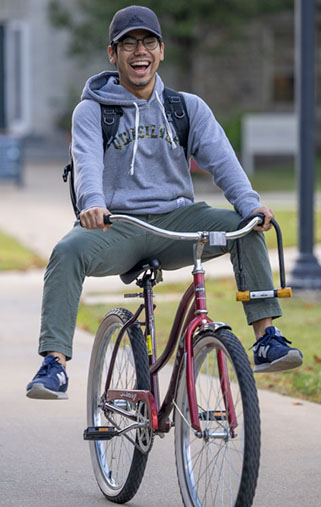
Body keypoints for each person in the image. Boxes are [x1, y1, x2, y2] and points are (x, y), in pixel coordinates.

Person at [26, 5, 302, 400]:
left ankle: (265, 338)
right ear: (113, 54)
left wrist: (251, 205)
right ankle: (54, 365)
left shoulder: (185, 108)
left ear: (161, 50)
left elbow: (223, 161)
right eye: (129, 44)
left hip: (178, 220)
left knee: (245, 228)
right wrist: (92, 204)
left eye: (148, 42)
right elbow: (86, 162)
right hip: (117, 223)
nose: (140, 52)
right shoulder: (92, 111)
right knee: (67, 251)